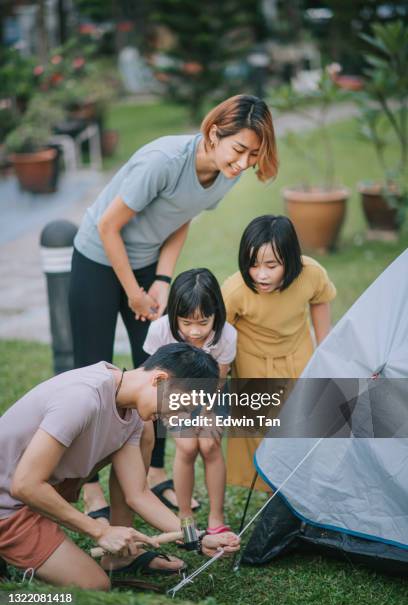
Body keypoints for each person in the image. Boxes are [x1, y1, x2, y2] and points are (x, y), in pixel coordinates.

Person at [69, 94, 278, 513]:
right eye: (238, 150)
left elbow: (183, 215)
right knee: (93, 369)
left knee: (166, 366)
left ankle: (155, 470)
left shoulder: (226, 172)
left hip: (147, 264)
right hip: (98, 256)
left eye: (253, 156)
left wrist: (162, 280)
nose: (242, 164)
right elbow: (109, 225)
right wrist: (133, 291)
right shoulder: (163, 160)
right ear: (214, 132)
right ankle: (88, 482)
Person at [0, 344, 240, 590]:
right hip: (9, 504)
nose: (173, 416)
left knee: (144, 434)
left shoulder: (131, 411)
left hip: (32, 492)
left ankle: (114, 557)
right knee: (95, 587)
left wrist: (198, 538)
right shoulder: (83, 398)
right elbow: (24, 485)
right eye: (178, 406)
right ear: (159, 380)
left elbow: (138, 494)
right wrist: (99, 531)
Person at [222, 215, 337, 491]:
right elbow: (219, 337)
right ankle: (272, 491)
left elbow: (320, 300)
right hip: (254, 361)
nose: (261, 274)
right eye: (253, 264)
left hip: (299, 353)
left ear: (291, 258)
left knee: (304, 422)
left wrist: (325, 351)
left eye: (271, 265)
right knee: (261, 430)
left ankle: (302, 488)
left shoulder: (312, 273)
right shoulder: (235, 290)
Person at [143, 269, 237, 534]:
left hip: (212, 392)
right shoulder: (160, 330)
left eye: (203, 322)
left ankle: (216, 518)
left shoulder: (227, 335)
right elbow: (151, 375)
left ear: (216, 314)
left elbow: (219, 378)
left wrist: (207, 413)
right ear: (173, 315)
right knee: (186, 447)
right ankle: (185, 516)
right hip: (172, 394)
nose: (194, 331)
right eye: (185, 322)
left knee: (210, 445)